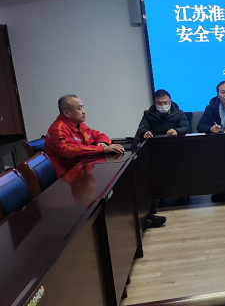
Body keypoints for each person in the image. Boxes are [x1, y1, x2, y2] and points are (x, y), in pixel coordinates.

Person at [45, 94, 165, 228]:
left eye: (83, 107)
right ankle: (129, 223)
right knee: (113, 187)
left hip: (85, 170)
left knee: (122, 179)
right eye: (79, 108)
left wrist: (103, 143)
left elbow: (99, 135)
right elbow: (70, 150)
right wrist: (101, 149)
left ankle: (140, 218)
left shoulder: (80, 125)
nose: (84, 111)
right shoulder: (58, 129)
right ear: (67, 112)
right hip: (69, 180)